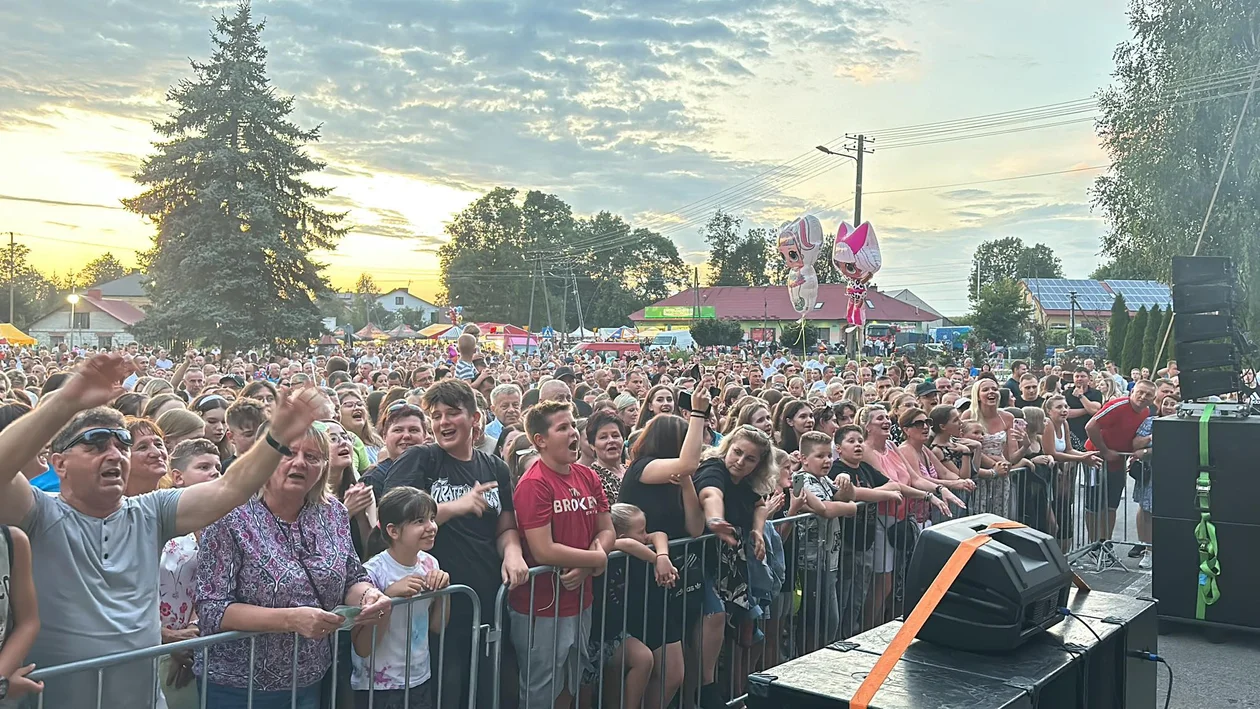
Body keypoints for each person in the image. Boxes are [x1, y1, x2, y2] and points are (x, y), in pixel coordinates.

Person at [0, 353, 323, 708]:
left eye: (122, 446)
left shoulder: (151, 512)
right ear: (59, 463)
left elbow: (229, 489)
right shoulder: (39, 512)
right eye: (95, 444)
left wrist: (277, 436)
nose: (115, 455)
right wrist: (66, 402)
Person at [195, 420, 393, 709]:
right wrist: (290, 620)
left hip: (312, 678)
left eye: (312, 457)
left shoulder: (333, 512)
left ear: (323, 466)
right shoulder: (228, 514)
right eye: (288, 452)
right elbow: (212, 608)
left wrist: (368, 596)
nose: (300, 463)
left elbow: (352, 576)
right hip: (239, 686)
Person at [375, 379, 529, 708]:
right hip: (434, 606)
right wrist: (450, 508)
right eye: (436, 415)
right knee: (447, 691)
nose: (443, 422)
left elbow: (506, 526)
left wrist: (513, 555)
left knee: (488, 688)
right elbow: (393, 518)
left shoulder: (495, 467)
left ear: (475, 418)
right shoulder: (422, 459)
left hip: (487, 600)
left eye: (453, 413)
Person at [510, 400, 614, 709]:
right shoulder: (533, 485)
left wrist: (592, 558)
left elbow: (607, 530)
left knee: (572, 681)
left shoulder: (588, 476)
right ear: (540, 440)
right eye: (563, 427)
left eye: (573, 425)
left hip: (580, 601)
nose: (573, 433)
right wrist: (595, 560)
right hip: (540, 608)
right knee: (541, 689)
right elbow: (543, 550)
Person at [616, 387, 712, 709]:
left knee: (671, 672)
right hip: (639, 581)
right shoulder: (642, 468)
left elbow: (696, 528)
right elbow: (688, 460)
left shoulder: (675, 478)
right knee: (668, 671)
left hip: (664, 579)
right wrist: (698, 413)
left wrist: (686, 481)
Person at [351, 487, 450, 709]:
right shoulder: (372, 572)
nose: (431, 527)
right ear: (393, 531)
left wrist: (443, 592)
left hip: (419, 677)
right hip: (378, 685)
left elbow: (438, 626)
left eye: (432, 518)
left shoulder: (430, 564)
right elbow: (362, 646)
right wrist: (387, 596)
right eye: (419, 521)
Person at [158, 438, 222, 709]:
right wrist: (165, 638)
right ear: (178, 477)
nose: (214, 472)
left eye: (218, 467)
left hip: (201, 644)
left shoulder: (226, 521)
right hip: (152, 643)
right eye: (204, 466)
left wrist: (191, 637)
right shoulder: (156, 517)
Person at [828, 425, 901, 639]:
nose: (858, 444)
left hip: (866, 542)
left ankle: (851, 638)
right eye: (851, 441)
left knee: (858, 598)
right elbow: (847, 494)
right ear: (839, 448)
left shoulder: (865, 469)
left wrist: (866, 494)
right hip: (846, 546)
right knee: (843, 598)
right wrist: (879, 494)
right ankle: (838, 641)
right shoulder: (836, 470)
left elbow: (893, 485)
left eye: (860, 440)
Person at [792, 431, 856, 649]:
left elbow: (842, 497)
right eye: (820, 456)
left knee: (829, 620)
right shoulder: (803, 480)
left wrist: (846, 484)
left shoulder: (822, 478)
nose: (827, 461)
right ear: (803, 458)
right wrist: (851, 508)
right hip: (811, 561)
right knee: (819, 621)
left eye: (829, 456)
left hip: (829, 559)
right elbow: (826, 509)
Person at [1083, 380, 1156, 543]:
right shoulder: (1118, 405)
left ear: (1153, 398)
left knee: (1111, 505)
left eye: (1148, 394)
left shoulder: (1146, 412)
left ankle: (1105, 542)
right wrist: (1104, 451)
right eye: (1140, 392)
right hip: (1096, 459)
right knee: (1093, 505)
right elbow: (1090, 426)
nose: (1143, 397)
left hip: (1118, 461)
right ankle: (1093, 543)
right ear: (1132, 392)